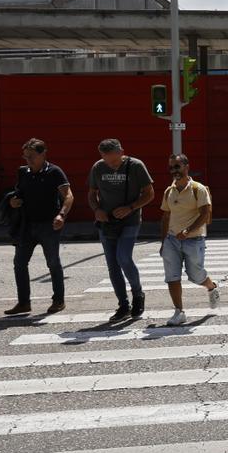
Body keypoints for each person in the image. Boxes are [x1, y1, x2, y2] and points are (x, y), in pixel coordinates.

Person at [3, 138, 74, 316]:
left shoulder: (54, 172)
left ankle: (58, 300)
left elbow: (69, 196)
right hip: (26, 225)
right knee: (19, 263)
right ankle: (23, 303)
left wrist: (61, 215)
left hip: (49, 225)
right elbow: (18, 193)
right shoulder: (23, 172)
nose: (28, 160)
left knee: (53, 263)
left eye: (32, 156)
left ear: (43, 154)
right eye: (26, 157)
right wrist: (13, 202)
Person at [88, 138, 154, 322]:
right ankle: (123, 304)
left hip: (130, 220)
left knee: (124, 257)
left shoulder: (136, 166)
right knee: (112, 264)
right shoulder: (98, 167)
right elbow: (92, 194)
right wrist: (97, 210)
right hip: (107, 222)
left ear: (121, 152)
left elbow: (149, 193)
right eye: (106, 160)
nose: (111, 164)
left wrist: (131, 207)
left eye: (114, 160)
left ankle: (138, 294)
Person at [158, 154, 220, 326]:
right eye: (171, 168)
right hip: (172, 240)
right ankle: (179, 312)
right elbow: (165, 217)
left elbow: (205, 214)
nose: (174, 171)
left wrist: (188, 230)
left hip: (194, 240)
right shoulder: (169, 191)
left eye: (177, 167)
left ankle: (211, 287)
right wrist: (163, 242)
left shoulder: (197, 189)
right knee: (172, 277)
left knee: (195, 275)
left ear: (186, 167)